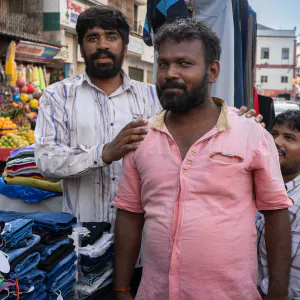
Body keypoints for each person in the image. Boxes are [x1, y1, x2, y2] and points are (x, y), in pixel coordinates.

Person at [113, 19, 292, 300]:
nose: (170, 73)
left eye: (184, 64)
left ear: (212, 71)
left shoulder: (250, 133)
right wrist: (122, 288)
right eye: (163, 64)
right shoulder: (141, 138)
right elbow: (130, 213)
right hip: (155, 292)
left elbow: (276, 214)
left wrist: (278, 293)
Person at [34, 6, 259, 228]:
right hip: (82, 239)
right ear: (81, 47)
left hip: (146, 239)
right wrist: (103, 153)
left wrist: (237, 120)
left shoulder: (157, 97)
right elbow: (47, 162)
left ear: (125, 44)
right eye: (93, 38)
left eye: (111, 37)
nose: (102, 45)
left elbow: (198, 128)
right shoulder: (57, 96)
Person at [256, 110, 300, 299]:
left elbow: (294, 282)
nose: (276, 142)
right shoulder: (255, 183)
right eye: (274, 134)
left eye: (289, 138)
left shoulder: (296, 202)